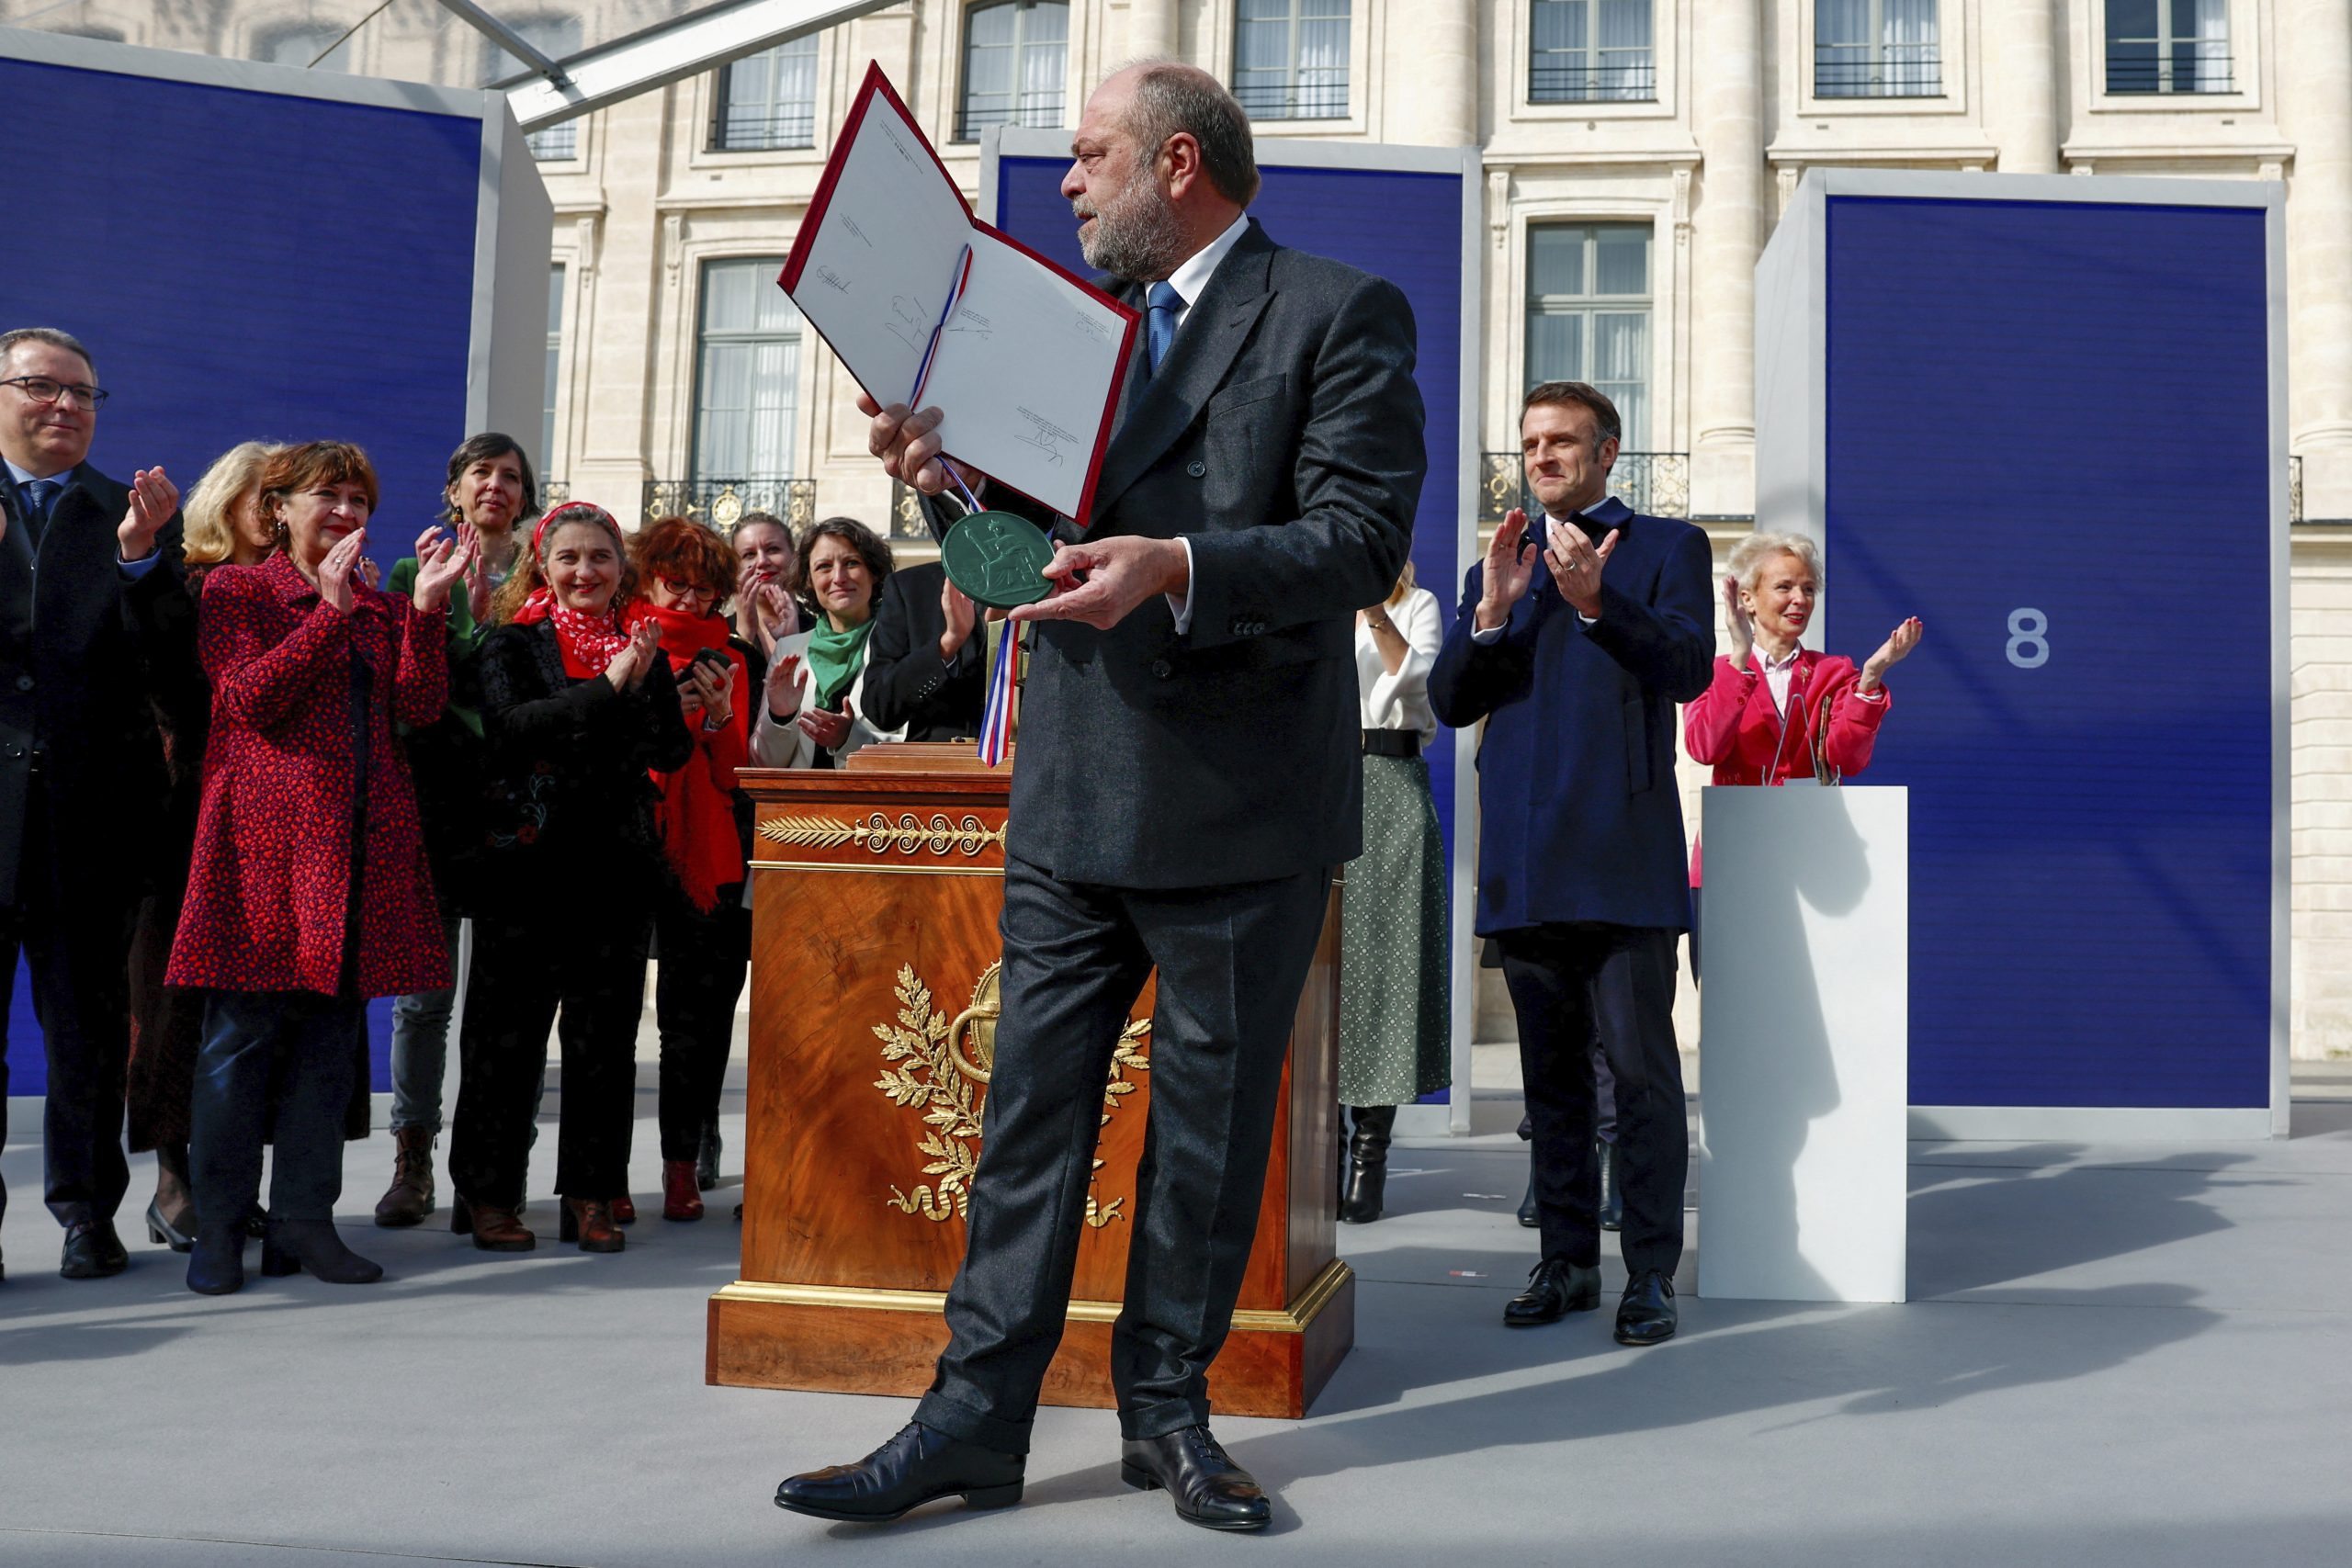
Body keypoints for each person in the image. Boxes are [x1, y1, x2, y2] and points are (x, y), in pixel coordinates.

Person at [774, 61, 1421, 1533]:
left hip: (1242, 806)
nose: (1063, 183)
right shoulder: (1072, 339)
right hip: (1074, 791)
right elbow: (1020, 573)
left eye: (1086, 156)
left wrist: (1178, 564)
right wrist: (944, 488)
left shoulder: (1335, 309)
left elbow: (1361, 539)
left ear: (1175, 161)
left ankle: (1167, 1414)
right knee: (1026, 1121)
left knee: (1204, 1132)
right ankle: (970, 1421)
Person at [1429, 379, 1712, 1348]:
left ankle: (1650, 1276)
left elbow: (1687, 670)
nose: (1542, 456)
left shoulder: (1670, 548)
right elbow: (1454, 702)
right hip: (1523, 862)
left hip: (1622, 860)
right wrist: (1493, 617)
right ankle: (1563, 1264)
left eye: (1562, 441)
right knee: (1546, 1085)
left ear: (1607, 451)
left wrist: (1597, 604)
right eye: (1531, 443)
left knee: (1639, 1080)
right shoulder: (1497, 561)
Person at [164, 441, 475, 1295]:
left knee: (328, 1048)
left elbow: (417, 704)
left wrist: (425, 610)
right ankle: (220, 1228)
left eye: (357, 499)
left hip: (357, 846)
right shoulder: (238, 590)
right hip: (261, 849)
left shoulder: (378, 606)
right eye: (327, 497)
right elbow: (248, 699)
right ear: (278, 509)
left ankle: (305, 1221)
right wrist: (327, 613)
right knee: (238, 1045)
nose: (346, 512)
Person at [447, 502, 692, 1255]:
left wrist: (649, 684)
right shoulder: (511, 643)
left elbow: (670, 751)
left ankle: (589, 1193)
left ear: (621, 570)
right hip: (524, 870)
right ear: (544, 567)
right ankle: (489, 1194)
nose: (585, 572)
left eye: (600, 558)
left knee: (604, 1044)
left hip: (613, 872)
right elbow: (512, 732)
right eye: (569, 559)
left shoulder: (638, 644)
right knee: (504, 1042)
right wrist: (609, 686)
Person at [0, 326, 187, 1284]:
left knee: (84, 1037)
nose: (65, 405)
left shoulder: (131, 512)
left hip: (90, 824)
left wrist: (140, 563)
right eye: (40, 386)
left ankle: (86, 1216)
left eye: (82, 393)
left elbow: (172, 673)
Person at [373, 433, 540, 1228]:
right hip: (437, 805)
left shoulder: (544, 577)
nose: (497, 487)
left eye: (511, 476)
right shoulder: (417, 572)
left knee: (507, 1004)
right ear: (455, 489)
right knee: (423, 999)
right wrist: (452, 610)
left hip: (519, 808)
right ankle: (412, 1158)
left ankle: (499, 1166)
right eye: (483, 473)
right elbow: (420, 692)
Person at [125, 441, 283, 1254]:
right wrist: (143, 557)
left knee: (254, 1018)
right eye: (269, 492)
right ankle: (174, 1184)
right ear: (227, 501)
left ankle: (235, 1185)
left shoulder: (309, 592)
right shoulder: (184, 586)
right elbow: (172, 689)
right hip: (189, 819)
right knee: (175, 1007)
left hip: (277, 831)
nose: (280, 506)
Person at [1680, 532, 1921, 971]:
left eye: (1808, 589)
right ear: (1748, 599)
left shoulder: (1834, 672)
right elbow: (1704, 747)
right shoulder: (1714, 671)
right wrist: (1738, 657)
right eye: (1785, 587)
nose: (1800, 599)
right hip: (1732, 862)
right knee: (1731, 1007)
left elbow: (1847, 757)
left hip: (1814, 860)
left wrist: (1870, 678)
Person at [626, 516, 752, 1224]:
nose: (692, 603)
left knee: (690, 1020)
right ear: (648, 578)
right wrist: (662, 715)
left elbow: (733, 774)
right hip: (630, 837)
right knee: (609, 1016)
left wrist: (719, 717)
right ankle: (604, 1175)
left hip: (704, 849)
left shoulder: (729, 657)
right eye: (679, 585)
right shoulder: (623, 644)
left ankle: (682, 1166)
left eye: (707, 591)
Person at [1337, 563, 1450, 1225]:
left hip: (1391, 783)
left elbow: (1415, 682)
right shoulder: (1319, 604)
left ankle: (1368, 1153)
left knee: (1384, 967)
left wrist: (1374, 608)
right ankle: (1317, 1144)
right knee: (1322, 970)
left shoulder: (1420, 605)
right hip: (1325, 784)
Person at [752, 516, 896, 768]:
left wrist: (848, 740)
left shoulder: (898, 644)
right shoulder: (789, 649)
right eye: (824, 567)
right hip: (800, 806)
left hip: (869, 805)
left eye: (851, 563)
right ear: (809, 580)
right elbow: (763, 763)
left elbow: (908, 754)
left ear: (873, 573)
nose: (839, 577)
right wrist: (781, 717)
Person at [857, 558, 988, 742]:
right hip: (937, 763)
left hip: (1029, 759)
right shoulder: (911, 586)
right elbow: (880, 708)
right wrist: (947, 644)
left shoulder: (1041, 582)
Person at [731, 511, 801, 658]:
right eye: (749, 555)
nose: (762, 561)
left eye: (773, 549)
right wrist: (743, 635)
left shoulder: (822, 629)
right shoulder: (721, 633)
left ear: (795, 557)